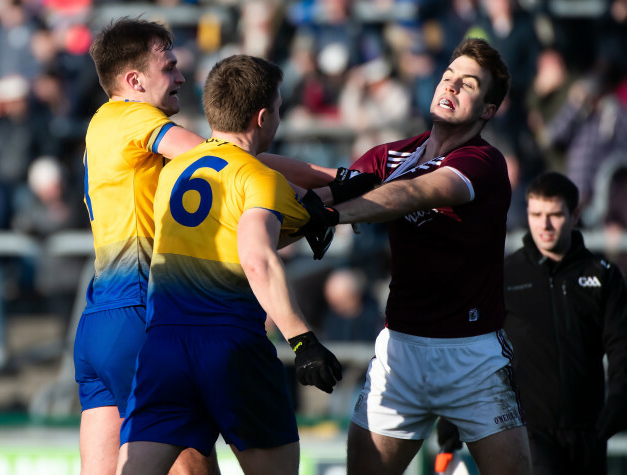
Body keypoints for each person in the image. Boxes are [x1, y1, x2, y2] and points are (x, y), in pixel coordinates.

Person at [301, 37, 532, 474]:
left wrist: (330, 214)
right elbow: (325, 184)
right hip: (401, 352)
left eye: (467, 84)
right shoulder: (392, 154)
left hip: (474, 357)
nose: (451, 86)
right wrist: (243, 165)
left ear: (487, 110)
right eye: (448, 77)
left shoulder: (483, 162)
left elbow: (413, 193)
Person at [116, 54, 342, 475]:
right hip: (231, 346)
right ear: (262, 117)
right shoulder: (260, 178)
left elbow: (226, 231)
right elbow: (256, 256)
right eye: (278, 109)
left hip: (163, 346)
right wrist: (302, 340)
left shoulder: (173, 168)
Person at [73, 17, 219, 475]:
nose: (180, 76)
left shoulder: (100, 125)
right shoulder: (136, 116)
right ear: (133, 80)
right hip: (142, 314)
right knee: (193, 463)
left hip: (98, 321)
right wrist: (324, 185)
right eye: (169, 66)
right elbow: (218, 158)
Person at [502, 171, 627, 473]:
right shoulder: (506, 275)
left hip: (590, 432)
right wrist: (453, 427)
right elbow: (477, 345)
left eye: (555, 214)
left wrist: (621, 398)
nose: (544, 225)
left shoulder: (602, 274)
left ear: (574, 214)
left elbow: (621, 344)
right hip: (530, 432)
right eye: (536, 214)